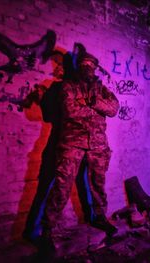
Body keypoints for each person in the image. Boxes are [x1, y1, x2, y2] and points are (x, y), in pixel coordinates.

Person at [40, 51, 119, 250]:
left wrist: (93, 103)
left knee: (98, 185)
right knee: (61, 186)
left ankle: (100, 218)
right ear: (78, 66)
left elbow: (114, 109)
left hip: (98, 145)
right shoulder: (67, 86)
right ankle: (47, 230)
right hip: (71, 143)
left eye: (91, 65)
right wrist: (96, 112)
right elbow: (70, 111)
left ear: (95, 68)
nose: (88, 68)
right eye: (84, 64)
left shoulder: (102, 90)